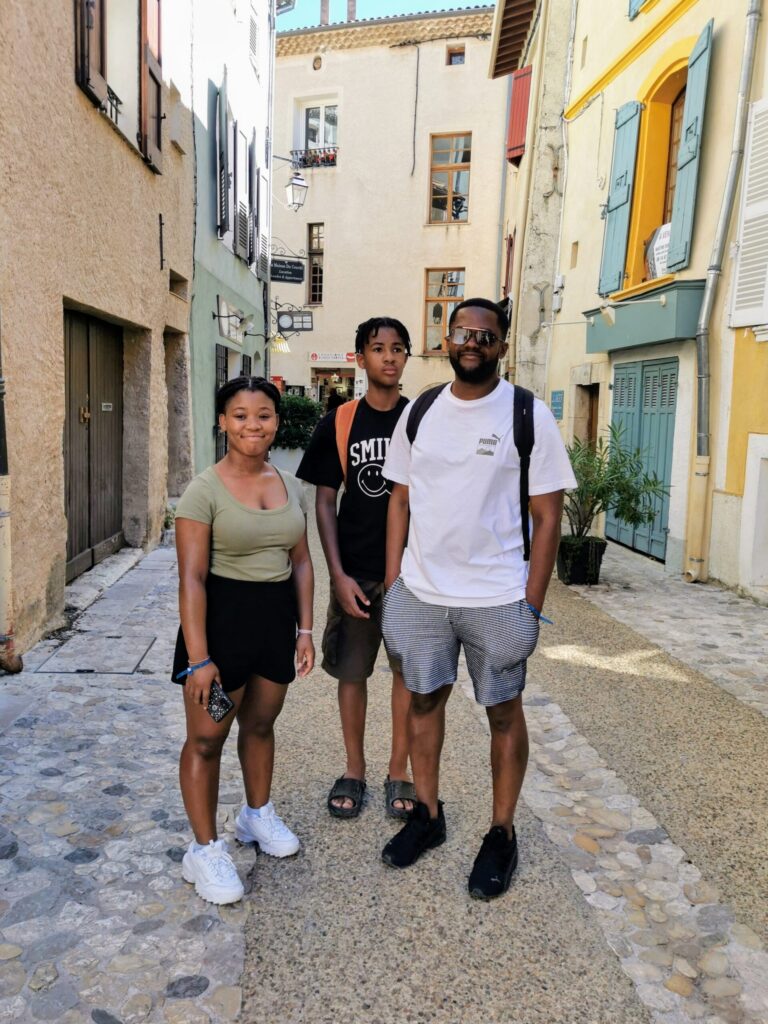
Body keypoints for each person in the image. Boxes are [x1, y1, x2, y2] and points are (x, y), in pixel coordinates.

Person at [380, 298, 576, 899]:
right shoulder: (420, 411)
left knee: (502, 713)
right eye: (463, 332)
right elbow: (400, 501)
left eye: (485, 336)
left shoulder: (527, 414)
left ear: (501, 345)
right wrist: (394, 586)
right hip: (423, 593)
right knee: (422, 705)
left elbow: (548, 518)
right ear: (446, 336)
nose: (472, 342)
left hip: (497, 596)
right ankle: (429, 816)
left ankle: (501, 832)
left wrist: (532, 604)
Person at [171, 376, 315, 905]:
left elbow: (301, 562)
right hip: (220, 626)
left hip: (273, 622)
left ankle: (256, 816)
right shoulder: (202, 490)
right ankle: (204, 849)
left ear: (276, 421)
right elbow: (191, 579)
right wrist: (199, 657)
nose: (252, 425)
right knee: (206, 740)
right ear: (222, 421)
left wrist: (304, 628)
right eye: (240, 414)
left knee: (260, 724)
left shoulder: (288, 483)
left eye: (263, 415)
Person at [297, 318, 415, 820]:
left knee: (408, 674)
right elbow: (325, 503)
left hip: (412, 575)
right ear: (360, 358)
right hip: (357, 572)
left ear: (406, 357)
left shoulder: (420, 418)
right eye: (378, 349)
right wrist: (338, 575)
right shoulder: (341, 421)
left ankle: (399, 770)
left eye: (398, 349)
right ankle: (354, 768)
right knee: (352, 673)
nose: (389, 357)